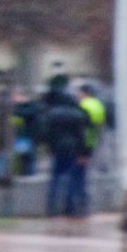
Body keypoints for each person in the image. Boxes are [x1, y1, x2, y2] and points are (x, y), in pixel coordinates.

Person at [41, 76, 90, 217]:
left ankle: (51, 206)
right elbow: (82, 136)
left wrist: (49, 147)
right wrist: (84, 153)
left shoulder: (52, 114)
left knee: (55, 177)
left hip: (57, 149)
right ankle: (70, 207)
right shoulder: (78, 115)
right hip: (73, 149)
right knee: (71, 178)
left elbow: (47, 133)